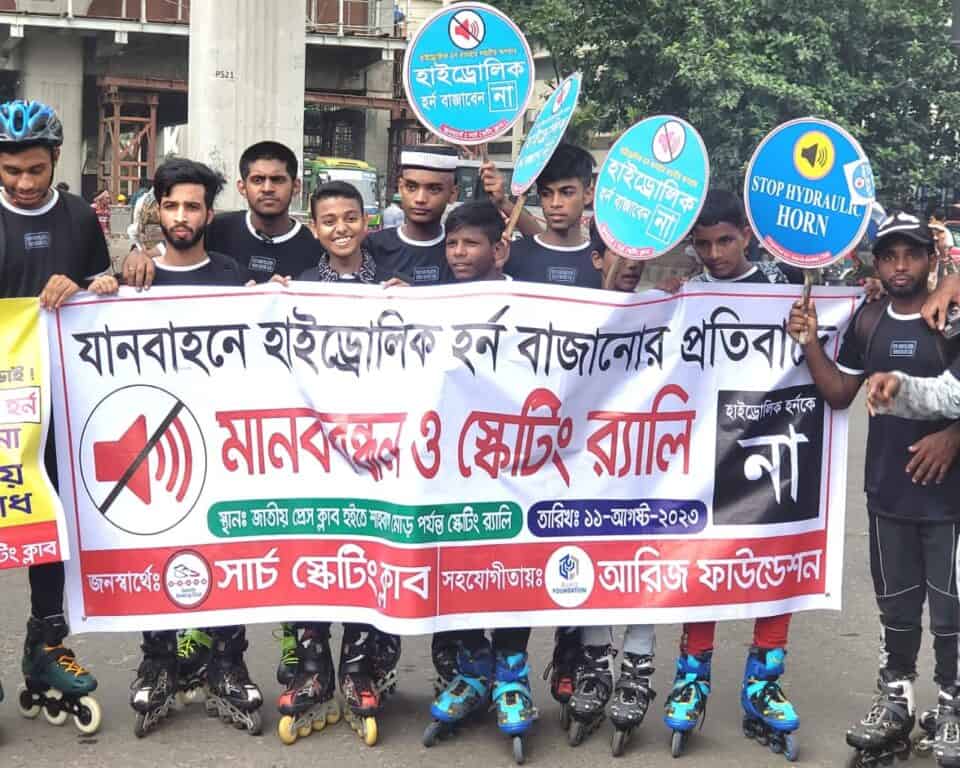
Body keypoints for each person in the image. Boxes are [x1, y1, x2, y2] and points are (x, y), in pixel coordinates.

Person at [789, 211, 960, 768]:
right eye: (890, 256)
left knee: (953, 609)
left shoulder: (952, 320)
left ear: (932, 259)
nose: (901, 265)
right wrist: (812, 343)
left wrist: (953, 438)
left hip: (950, 501)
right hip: (887, 492)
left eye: (912, 254)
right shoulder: (867, 321)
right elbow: (840, 392)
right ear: (876, 263)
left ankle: (953, 707)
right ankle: (897, 700)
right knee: (897, 606)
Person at [127, 158, 264, 738]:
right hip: (158, 448)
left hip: (222, 443)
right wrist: (104, 285)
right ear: (157, 210)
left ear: (210, 213)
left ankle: (228, 659)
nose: (181, 217)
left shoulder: (231, 274)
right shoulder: (136, 278)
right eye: (172, 205)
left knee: (227, 546)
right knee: (158, 547)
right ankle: (158, 658)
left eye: (193, 206)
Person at [660, 190, 799, 759]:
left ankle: (763, 680)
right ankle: (692, 675)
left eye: (725, 240)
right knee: (703, 560)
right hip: (698, 452)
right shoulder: (686, 294)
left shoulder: (782, 293)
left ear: (746, 235)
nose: (715, 253)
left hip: (768, 446)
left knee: (776, 555)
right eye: (703, 243)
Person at [0, 98, 115, 735]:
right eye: (11, 169)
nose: (22, 182)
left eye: (34, 169)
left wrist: (96, 285)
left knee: (51, 530)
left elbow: (105, 288)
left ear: (56, 160)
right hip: (1, 407)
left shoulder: (76, 216)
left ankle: (46, 648)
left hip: (64, 407)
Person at [272, 181, 401, 747]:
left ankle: (358, 667)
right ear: (314, 225)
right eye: (329, 220)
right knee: (312, 545)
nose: (341, 228)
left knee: (370, 547)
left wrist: (410, 306)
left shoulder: (391, 285)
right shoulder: (296, 287)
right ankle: (312, 665)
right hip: (313, 447)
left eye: (351, 217)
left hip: (375, 446)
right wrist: (270, 299)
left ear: (367, 220)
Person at [421, 202, 537, 763]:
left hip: (520, 461)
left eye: (470, 244)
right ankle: (471, 670)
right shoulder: (430, 306)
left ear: (500, 249)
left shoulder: (540, 305)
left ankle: (513, 673)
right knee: (459, 561)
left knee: (515, 561)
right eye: (452, 245)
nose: (459, 254)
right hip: (453, 465)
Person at [552, 221, 655, 756]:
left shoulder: (670, 308)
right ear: (596, 258)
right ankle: (593, 664)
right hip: (580, 463)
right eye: (618, 251)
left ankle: (638, 664)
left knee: (641, 557)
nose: (630, 262)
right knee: (587, 555)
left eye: (642, 252)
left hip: (650, 463)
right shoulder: (563, 313)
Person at [122, 141, 320, 287]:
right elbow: (161, 252)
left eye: (277, 180)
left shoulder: (315, 247)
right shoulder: (216, 227)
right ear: (242, 187)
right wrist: (136, 256)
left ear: (296, 186)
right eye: (258, 180)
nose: (267, 188)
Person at [490, 143, 601, 288]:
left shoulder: (601, 263)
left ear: (588, 195)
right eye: (546, 194)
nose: (555, 203)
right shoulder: (509, 256)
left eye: (566, 192)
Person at [367, 145, 459, 285]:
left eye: (434, 189)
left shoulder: (461, 252)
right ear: (400, 187)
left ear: (452, 194)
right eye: (411, 187)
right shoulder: (372, 247)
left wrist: (502, 204)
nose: (420, 199)